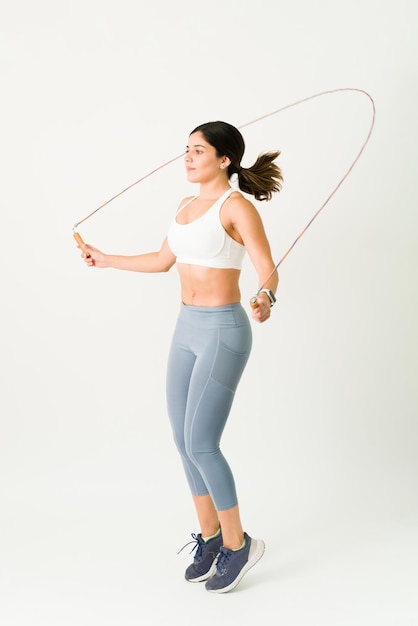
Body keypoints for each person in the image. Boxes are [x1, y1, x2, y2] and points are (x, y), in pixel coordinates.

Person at [79, 120, 283, 593]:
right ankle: (210, 537)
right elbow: (161, 260)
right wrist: (106, 258)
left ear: (224, 159)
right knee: (181, 439)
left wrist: (266, 299)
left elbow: (267, 269)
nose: (187, 158)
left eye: (197, 150)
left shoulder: (238, 208)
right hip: (186, 327)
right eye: (186, 149)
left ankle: (239, 544)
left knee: (202, 442)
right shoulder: (185, 206)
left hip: (223, 330)